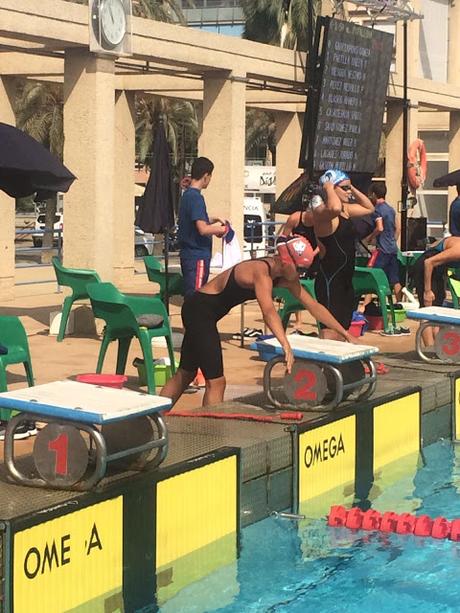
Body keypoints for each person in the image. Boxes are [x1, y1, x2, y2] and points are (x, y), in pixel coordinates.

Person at [160, 235, 356, 408]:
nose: (301, 274)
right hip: (199, 312)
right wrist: (285, 345)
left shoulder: (285, 277)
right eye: (300, 269)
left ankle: (156, 420)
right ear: (286, 262)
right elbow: (269, 312)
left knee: (185, 373)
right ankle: (214, 435)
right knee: (217, 382)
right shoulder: (260, 271)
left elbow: (314, 306)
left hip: (201, 313)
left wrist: (345, 333)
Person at [312, 170, 375, 340]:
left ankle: (336, 366)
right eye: (345, 188)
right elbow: (334, 207)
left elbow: (369, 207)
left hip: (345, 280)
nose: (349, 191)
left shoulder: (345, 210)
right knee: (330, 330)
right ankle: (324, 365)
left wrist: (351, 187)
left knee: (343, 327)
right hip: (330, 281)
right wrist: (329, 187)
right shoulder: (321, 213)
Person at [177, 157, 227, 296]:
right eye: (210, 177)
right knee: (196, 296)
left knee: (192, 294)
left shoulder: (187, 195)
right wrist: (223, 229)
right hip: (197, 256)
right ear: (206, 176)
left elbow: (196, 220)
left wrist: (214, 219)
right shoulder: (196, 198)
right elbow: (203, 229)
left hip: (189, 254)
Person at [278, 190, 319, 333]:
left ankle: (320, 318)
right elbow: (283, 237)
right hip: (296, 257)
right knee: (295, 285)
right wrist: (288, 256)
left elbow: (322, 244)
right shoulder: (296, 218)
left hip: (314, 255)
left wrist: (311, 255)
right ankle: (298, 319)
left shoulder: (321, 221)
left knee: (314, 288)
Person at [413, 236, 460, 345]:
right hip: (425, 269)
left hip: (437, 270)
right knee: (427, 309)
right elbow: (428, 262)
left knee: (438, 309)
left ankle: (438, 349)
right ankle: (429, 349)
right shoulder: (458, 250)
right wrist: (427, 291)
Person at [367, 182, 403, 303]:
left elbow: (380, 228)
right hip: (393, 249)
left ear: (373, 194)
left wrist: (370, 238)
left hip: (382, 250)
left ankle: (364, 306)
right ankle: (399, 304)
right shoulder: (391, 210)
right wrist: (393, 240)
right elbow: (398, 228)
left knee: (370, 275)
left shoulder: (376, 210)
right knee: (395, 279)